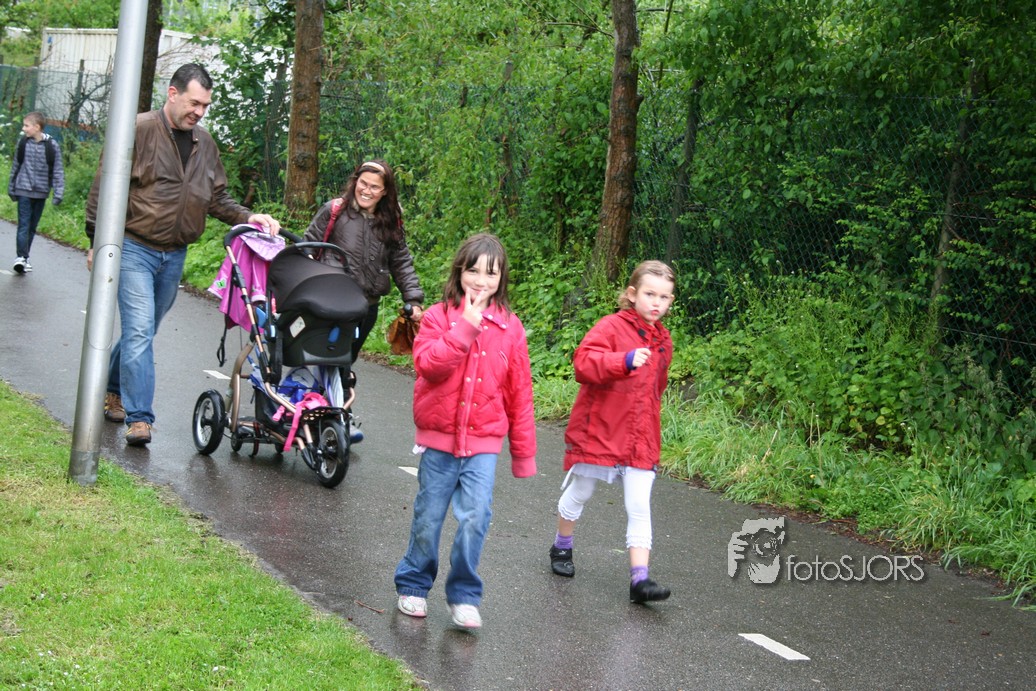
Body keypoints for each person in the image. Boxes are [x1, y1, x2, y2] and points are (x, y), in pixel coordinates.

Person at [85, 63, 280, 447]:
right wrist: (95, 239)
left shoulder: (205, 143)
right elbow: (105, 185)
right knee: (140, 330)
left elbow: (216, 197)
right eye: (194, 103)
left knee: (144, 331)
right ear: (172, 93)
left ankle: (113, 387)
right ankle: (140, 419)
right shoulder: (138, 129)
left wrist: (248, 217)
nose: (199, 112)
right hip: (134, 247)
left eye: (205, 105)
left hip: (174, 255)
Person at [394, 233, 536, 629]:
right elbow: (428, 365)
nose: (480, 280)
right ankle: (413, 584)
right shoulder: (438, 317)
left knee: (476, 517)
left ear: (501, 279)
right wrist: (465, 328)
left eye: (491, 273)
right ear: (459, 271)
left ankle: (464, 595)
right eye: (473, 270)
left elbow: (520, 393)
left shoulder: (511, 327)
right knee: (429, 517)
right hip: (438, 442)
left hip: (483, 443)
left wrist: (523, 454)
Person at [548, 260, 676, 604]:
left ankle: (640, 580)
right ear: (632, 294)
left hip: (641, 436)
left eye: (664, 297)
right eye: (649, 294)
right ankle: (562, 546)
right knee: (581, 490)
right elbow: (583, 363)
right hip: (601, 429)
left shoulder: (664, 341)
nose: (656, 302)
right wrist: (624, 360)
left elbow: (657, 388)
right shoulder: (610, 327)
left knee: (639, 504)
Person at [302, 159, 425, 364]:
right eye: (363, 183)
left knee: (345, 361)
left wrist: (413, 300)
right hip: (330, 301)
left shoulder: (391, 222)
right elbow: (307, 247)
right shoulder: (335, 210)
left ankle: (336, 383)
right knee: (320, 358)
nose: (366, 191)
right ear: (355, 182)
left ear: (385, 191)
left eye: (374, 187)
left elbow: (401, 262)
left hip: (366, 307)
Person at [8, 111, 64, 274]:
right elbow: (16, 166)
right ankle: (21, 257)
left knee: (32, 227)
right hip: (23, 190)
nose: (24, 128)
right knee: (24, 224)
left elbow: (58, 170)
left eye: (26, 125)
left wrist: (58, 192)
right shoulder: (23, 143)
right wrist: (11, 187)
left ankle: (24, 258)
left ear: (37, 127)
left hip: (41, 192)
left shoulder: (51, 146)